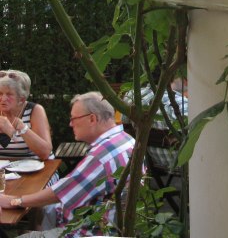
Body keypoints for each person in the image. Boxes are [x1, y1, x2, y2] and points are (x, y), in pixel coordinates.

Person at [0, 92, 135, 235]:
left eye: (73, 118)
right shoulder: (126, 140)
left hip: (85, 231)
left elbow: (61, 192)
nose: (70, 124)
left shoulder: (102, 156)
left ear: (92, 119)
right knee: (39, 210)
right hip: (104, 221)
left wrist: (14, 201)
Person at [123, 78, 188, 170]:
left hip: (149, 165)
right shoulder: (183, 105)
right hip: (181, 167)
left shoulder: (131, 96)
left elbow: (126, 127)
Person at [0, 70, 54, 161]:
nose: (3, 98)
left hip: (36, 166)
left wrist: (21, 127)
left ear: (21, 99)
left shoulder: (35, 110)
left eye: (9, 94)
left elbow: (45, 153)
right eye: (0, 93)